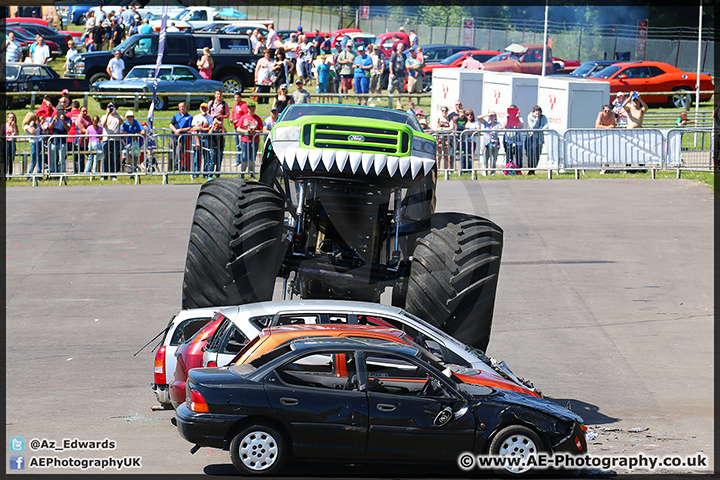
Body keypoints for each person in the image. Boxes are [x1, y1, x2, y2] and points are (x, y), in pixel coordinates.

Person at [236, 101, 262, 178]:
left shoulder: (258, 118)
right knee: (244, 157)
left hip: (254, 140)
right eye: (250, 108)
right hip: (245, 140)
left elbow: (261, 130)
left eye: (253, 108)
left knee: (252, 158)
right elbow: (238, 128)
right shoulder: (243, 118)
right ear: (247, 109)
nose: (251, 110)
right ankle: (242, 173)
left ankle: (252, 174)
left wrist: (255, 131)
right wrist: (246, 131)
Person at [207, 89, 230, 170]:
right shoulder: (210, 103)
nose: (219, 96)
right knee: (211, 152)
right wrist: (213, 118)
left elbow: (227, 115)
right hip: (211, 127)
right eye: (217, 94)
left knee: (220, 153)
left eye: (220, 94)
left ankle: (218, 172)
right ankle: (209, 171)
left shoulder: (224, 104)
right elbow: (207, 113)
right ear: (215, 95)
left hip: (220, 128)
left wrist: (219, 117)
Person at [169, 102, 194, 172]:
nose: (182, 108)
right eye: (180, 107)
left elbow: (189, 127)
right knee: (172, 151)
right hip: (173, 136)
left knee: (178, 152)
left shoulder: (189, 117)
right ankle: (171, 167)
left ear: (185, 107)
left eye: (183, 106)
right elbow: (171, 125)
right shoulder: (176, 115)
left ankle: (176, 167)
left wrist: (180, 130)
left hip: (182, 137)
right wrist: (175, 130)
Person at [100, 102, 122, 180]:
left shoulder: (118, 116)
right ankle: (104, 175)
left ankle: (113, 174)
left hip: (116, 140)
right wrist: (107, 114)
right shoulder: (104, 116)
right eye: (110, 107)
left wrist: (116, 113)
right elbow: (103, 124)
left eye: (112, 107)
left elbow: (122, 122)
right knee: (105, 157)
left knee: (114, 158)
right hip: (106, 139)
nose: (111, 109)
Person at [48, 104, 71, 174]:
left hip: (63, 142)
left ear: (64, 110)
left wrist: (63, 121)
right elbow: (49, 128)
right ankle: (52, 174)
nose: (60, 111)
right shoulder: (53, 118)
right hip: (54, 141)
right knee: (52, 160)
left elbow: (68, 128)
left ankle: (62, 173)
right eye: (58, 110)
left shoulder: (67, 119)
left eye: (61, 110)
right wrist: (53, 121)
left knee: (62, 160)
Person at [191, 103, 213, 179]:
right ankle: (196, 174)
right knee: (196, 157)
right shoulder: (196, 117)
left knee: (207, 157)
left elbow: (209, 129)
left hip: (206, 139)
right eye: (202, 108)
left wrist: (200, 128)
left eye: (205, 108)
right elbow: (194, 129)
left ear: (207, 109)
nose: (203, 110)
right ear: (200, 109)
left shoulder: (210, 118)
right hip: (198, 138)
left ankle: (206, 174)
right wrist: (197, 141)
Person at [525, 106, 548, 175]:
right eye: (536, 111)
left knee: (537, 155)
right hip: (531, 139)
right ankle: (530, 169)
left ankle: (533, 170)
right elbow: (532, 126)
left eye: (539, 111)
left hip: (539, 139)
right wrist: (536, 119)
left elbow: (546, 126)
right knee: (530, 155)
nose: (538, 113)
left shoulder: (543, 117)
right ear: (533, 112)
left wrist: (539, 129)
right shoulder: (530, 116)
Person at [503, 104, 524, 171]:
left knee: (519, 157)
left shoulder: (519, 118)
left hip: (518, 141)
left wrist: (518, 117)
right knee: (509, 156)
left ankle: (519, 170)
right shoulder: (506, 117)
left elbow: (521, 126)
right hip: (509, 140)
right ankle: (508, 170)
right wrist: (507, 118)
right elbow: (505, 126)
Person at [71, 104, 92, 173]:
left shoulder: (88, 118)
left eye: (86, 111)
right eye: (83, 111)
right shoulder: (79, 119)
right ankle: (79, 171)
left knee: (88, 156)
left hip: (87, 140)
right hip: (80, 140)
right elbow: (83, 129)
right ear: (80, 111)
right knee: (80, 157)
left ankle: (86, 170)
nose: (85, 113)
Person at [231, 92, 249, 167]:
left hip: (241, 127)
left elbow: (245, 116)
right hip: (235, 127)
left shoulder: (244, 105)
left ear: (241, 97)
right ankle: (238, 161)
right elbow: (233, 115)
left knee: (242, 145)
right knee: (237, 145)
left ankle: (243, 161)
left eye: (238, 97)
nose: (236, 99)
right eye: (235, 97)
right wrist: (232, 119)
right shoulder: (235, 106)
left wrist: (238, 121)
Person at [22, 112, 43, 178]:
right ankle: (29, 175)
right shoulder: (27, 126)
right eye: (34, 118)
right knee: (33, 161)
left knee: (40, 160)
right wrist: (31, 125)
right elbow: (33, 132)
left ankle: (39, 175)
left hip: (39, 142)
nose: (35, 119)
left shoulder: (37, 124)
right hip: (33, 143)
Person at [388, 43, 407, 110]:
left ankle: (398, 102)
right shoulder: (394, 55)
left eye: (402, 47)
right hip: (394, 75)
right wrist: (391, 73)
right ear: (397, 47)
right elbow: (391, 64)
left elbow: (405, 64)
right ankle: (390, 102)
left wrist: (405, 73)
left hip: (401, 75)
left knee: (400, 89)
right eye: (399, 47)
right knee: (391, 89)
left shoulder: (404, 55)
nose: (401, 48)